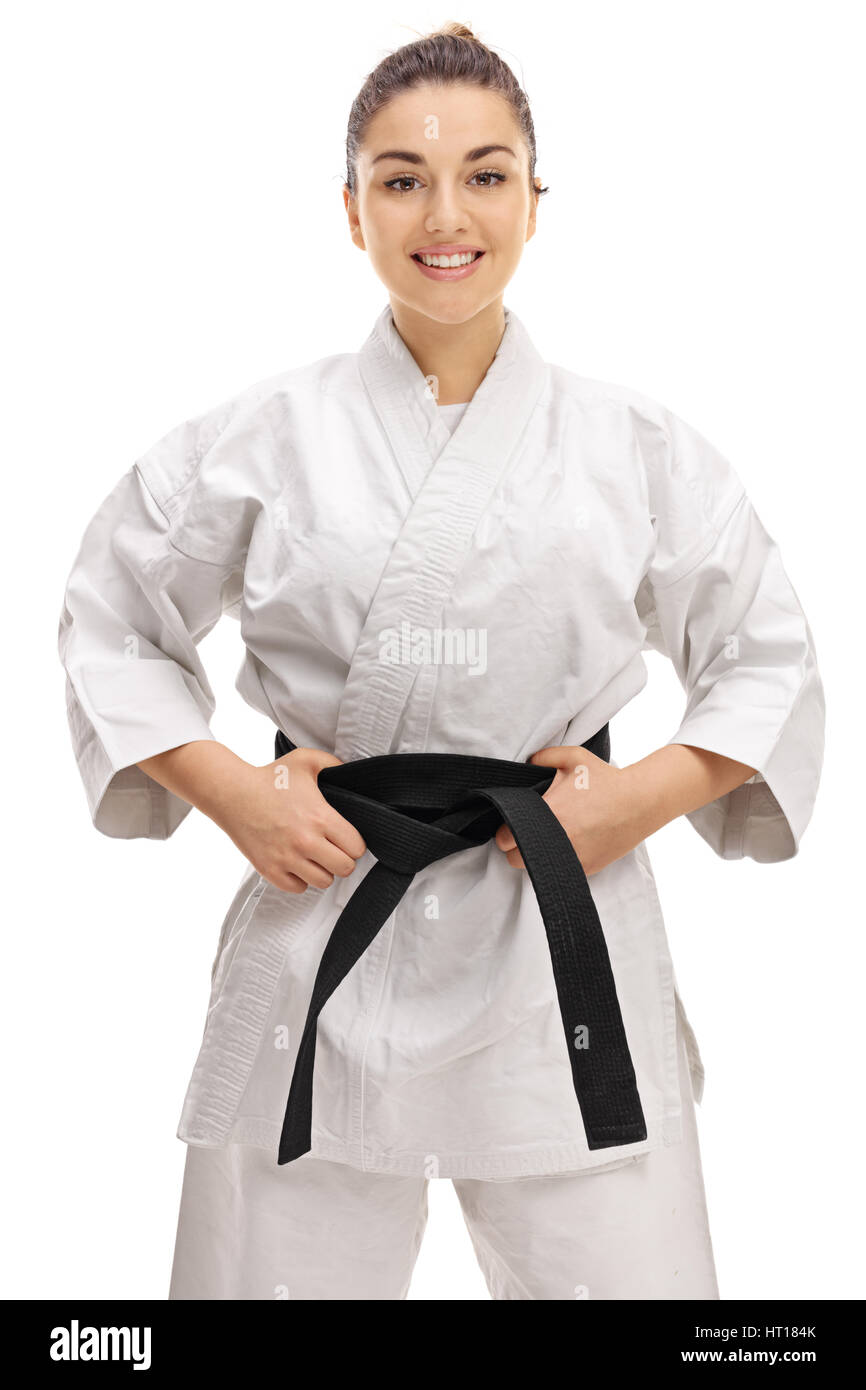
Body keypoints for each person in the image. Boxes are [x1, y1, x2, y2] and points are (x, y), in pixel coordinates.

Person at [57, 22, 825, 1301]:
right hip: (326, 907)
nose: (444, 212)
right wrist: (233, 792)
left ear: (535, 198)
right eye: (401, 178)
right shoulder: (256, 438)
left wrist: (637, 799)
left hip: (553, 923)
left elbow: (766, 650)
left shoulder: (634, 446)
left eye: (484, 172)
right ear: (350, 210)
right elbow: (109, 615)